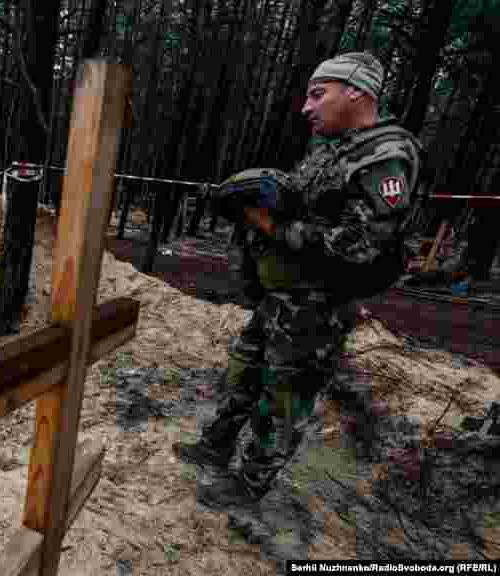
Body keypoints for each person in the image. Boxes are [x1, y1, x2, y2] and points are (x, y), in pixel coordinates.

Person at [173, 52, 423, 506]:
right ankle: (216, 446)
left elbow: (358, 245)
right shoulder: (333, 148)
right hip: (282, 295)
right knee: (245, 373)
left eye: (317, 94)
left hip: (316, 307)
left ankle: (250, 483)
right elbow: (305, 204)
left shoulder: (386, 156)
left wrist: (269, 224)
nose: (306, 107)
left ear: (356, 92)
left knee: (285, 396)